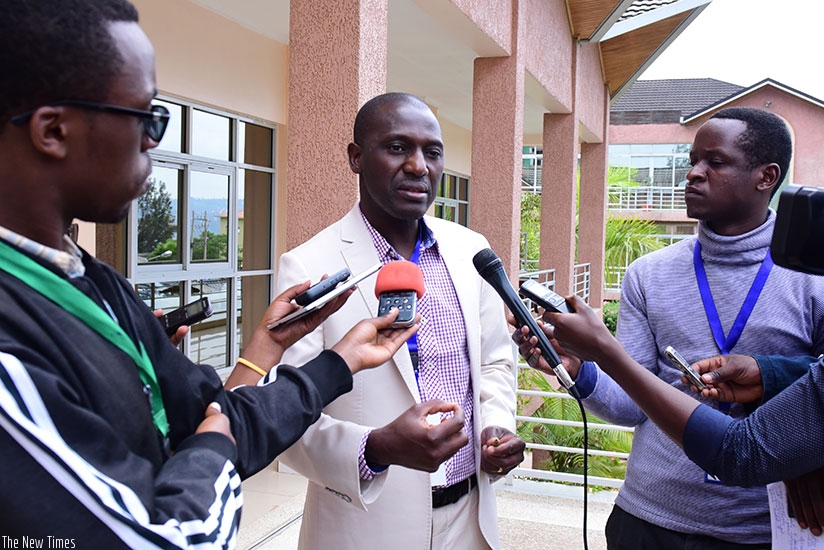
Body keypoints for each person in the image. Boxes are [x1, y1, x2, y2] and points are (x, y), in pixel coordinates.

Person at [0, 1, 419, 547]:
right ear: (53, 130)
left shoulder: (97, 285)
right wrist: (212, 444)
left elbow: (223, 413)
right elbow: (172, 536)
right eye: (147, 116)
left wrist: (336, 363)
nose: (155, 141)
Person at [516, 106, 824, 548]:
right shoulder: (649, 273)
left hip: (763, 531)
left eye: (714, 163)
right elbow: (628, 404)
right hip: (649, 520)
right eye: (691, 161)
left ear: (766, 176)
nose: (693, 174)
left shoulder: (813, 278)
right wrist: (579, 368)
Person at [273, 92, 525, 549]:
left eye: (432, 152)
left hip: (470, 521)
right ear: (356, 157)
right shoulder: (309, 266)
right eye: (397, 148)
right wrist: (377, 448)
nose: (418, 166)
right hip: (364, 528)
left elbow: (494, 365)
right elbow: (285, 417)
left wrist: (496, 426)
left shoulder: (472, 251)